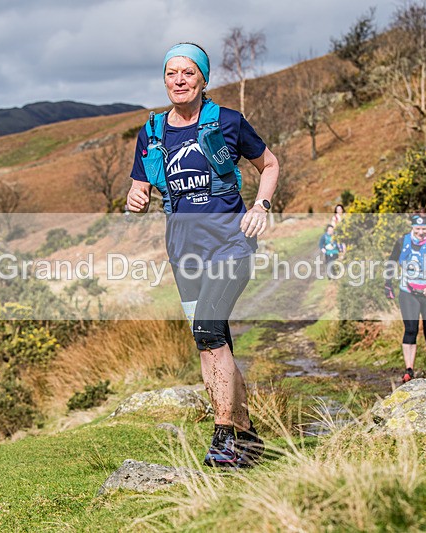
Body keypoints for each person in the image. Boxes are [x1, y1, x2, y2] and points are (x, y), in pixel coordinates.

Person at [126, 43, 279, 467]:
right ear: (164, 80)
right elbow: (140, 187)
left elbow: (270, 165)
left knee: (209, 330)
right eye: (172, 73)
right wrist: (135, 198)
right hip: (183, 252)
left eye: (188, 73)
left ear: (203, 79)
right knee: (212, 342)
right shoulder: (152, 131)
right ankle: (249, 438)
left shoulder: (229, 122)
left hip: (231, 245)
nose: (179, 80)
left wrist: (260, 207)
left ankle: (223, 436)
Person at [385, 214, 426, 383]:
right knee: (411, 329)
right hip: (408, 292)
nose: (421, 232)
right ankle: (409, 370)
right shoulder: (403, 242)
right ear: (412, 227)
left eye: (424, 229)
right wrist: (388, 284)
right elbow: (391, 262)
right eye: (417, 229)